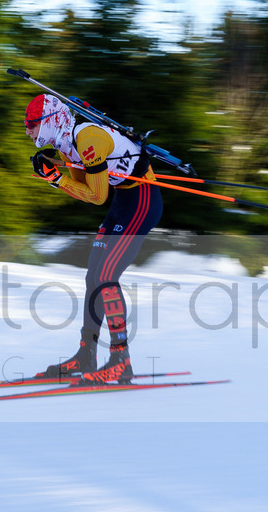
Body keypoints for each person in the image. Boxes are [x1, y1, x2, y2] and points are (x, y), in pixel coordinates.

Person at [23, 93, 165, 384]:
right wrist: (55, 175)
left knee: (106, 277)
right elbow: (83, 187)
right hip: (124, 202)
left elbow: (97, 196)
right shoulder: (65, 145)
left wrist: (56, 179)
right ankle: (87, 354)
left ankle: (121, 360)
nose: (28, 130)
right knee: (93, 278)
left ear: (50, 123)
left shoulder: (86, 139)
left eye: (32, 124)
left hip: (143, 200)